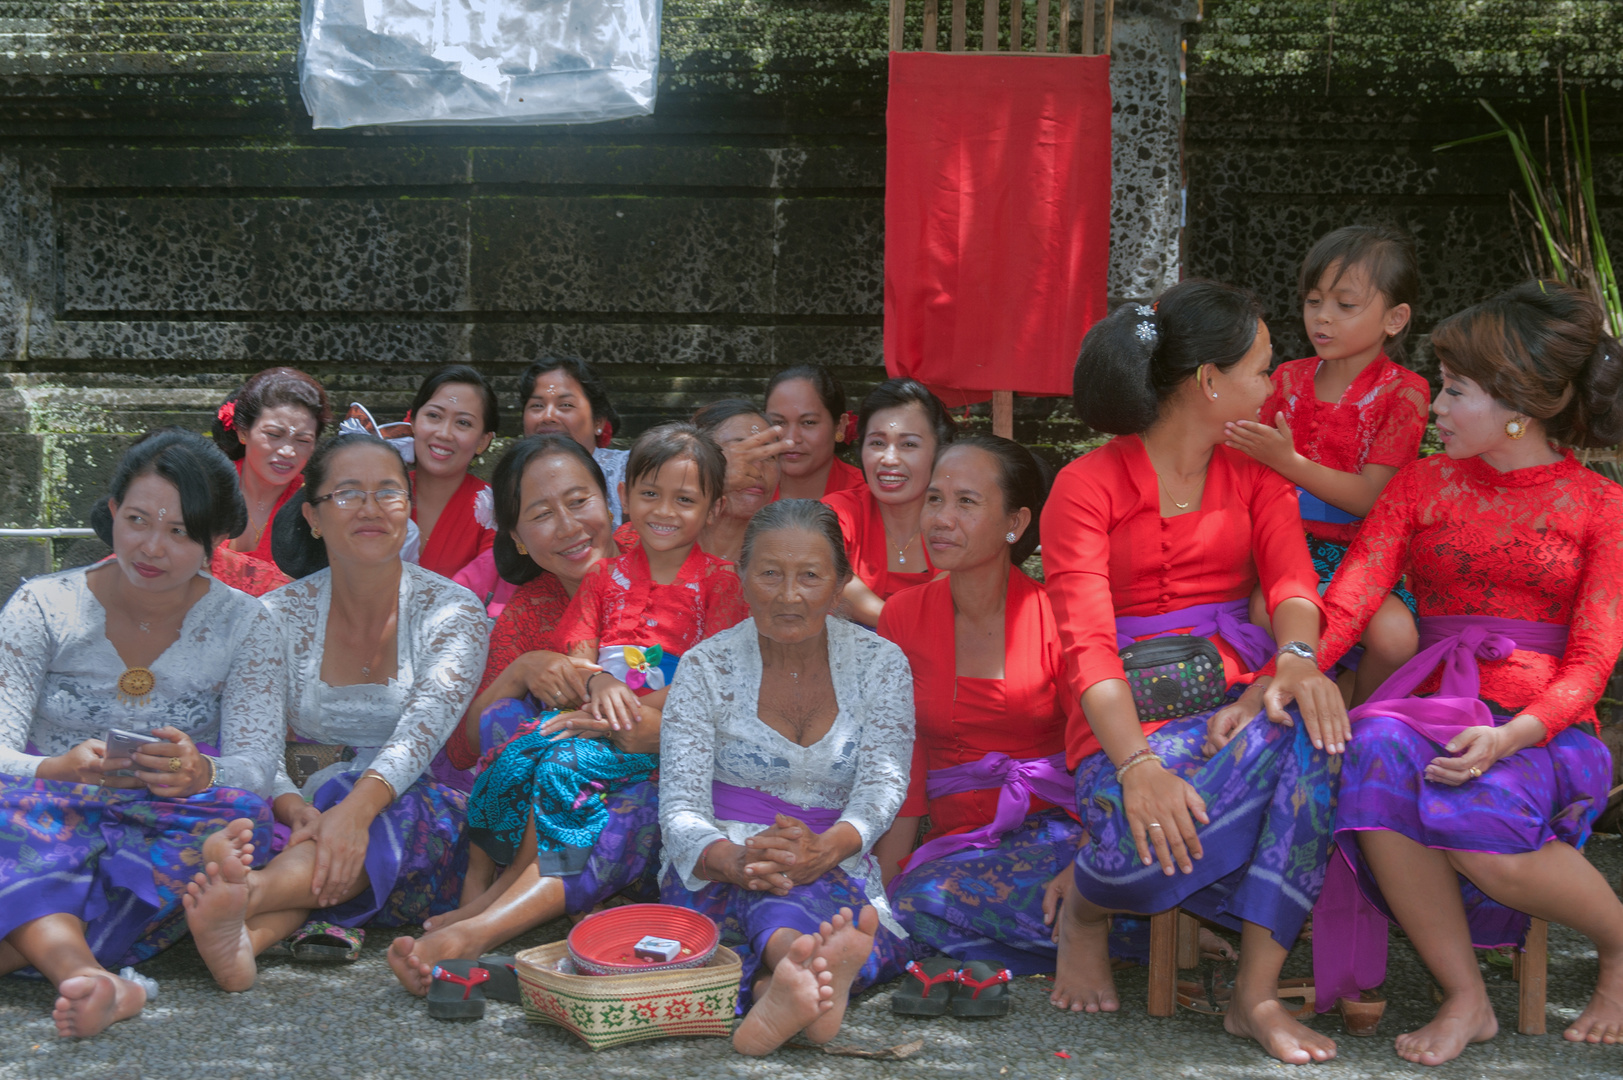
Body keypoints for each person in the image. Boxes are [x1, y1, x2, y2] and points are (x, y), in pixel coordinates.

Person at [1314, 280, 1623, 1064]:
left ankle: (1619, 945)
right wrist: (1290, 670)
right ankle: (1466, 995)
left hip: (1543, 726)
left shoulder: (1599, 505)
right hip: (1431, 704)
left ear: (1517, 402)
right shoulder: (1420, 482)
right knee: (1375, 740)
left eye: (1454, 392)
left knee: (1480, 828)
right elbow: (1351, 596)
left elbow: (1592, 660)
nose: (1435, 408)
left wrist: (1514, 734)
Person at [1043, 281, 1350, 1065]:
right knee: (1155, 815)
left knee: (1315, 734)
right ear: (1209, 382)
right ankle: (1087, 902)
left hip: (1232, 698)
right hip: (1120, 726)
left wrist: (1290, 665)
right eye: (1260, 367)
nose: (1274, 383)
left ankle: (1253, 997)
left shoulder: (1255, 474)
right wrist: (1137, 766)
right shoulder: (1085, 485)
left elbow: (1291, 589)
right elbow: (1085, 646)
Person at [180, 432, 488, 992]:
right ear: (313, 517)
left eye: (388, 492)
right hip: (301, 811)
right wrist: (295, 806)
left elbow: (423, 731)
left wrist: (355, 810)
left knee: (383, 817)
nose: (371, 508)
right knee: (248, 810)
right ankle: (247, 939)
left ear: (408, 510)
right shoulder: (273, 615)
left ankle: (249, 897)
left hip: (417, 817)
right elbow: (254, 739)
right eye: (347, 494)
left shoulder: (452, 610)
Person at [0, 430, 283, 1037]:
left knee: (238, 819)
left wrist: (203, 772)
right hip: (41, 813)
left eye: (180, 531)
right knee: (14, 825)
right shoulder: (43, 605)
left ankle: (69, 958)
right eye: (137, 519)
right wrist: (53, 769)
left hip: (166, 818)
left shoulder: (248, 624)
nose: (152, 546)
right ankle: (100, 977)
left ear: (215, 541)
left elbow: (257, 764)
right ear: (111, 514)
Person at [385, 435, 662, 992]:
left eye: (579, 501)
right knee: (508, 719)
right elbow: (465, 749)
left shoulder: (664, 564)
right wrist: (523, 668)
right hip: (551, 789)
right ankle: (504, 904)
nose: (568, 526)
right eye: (541, 514)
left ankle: (481, 928)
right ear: (514, 534)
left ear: (611, 501)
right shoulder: (526, 611)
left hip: (658, 780)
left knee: (620, 805)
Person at [658, 499, 916, 1055]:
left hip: (833, 850)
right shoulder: (706, 667)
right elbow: (679, 804)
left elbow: (882, 784)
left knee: (839, 908)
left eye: (810, 576)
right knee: (774, 891)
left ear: (841, 582)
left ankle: (776, 984)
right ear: (743, 575)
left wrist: (827, 848)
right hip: (721, 859)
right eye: (771, 573)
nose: (789, 594)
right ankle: (801, 968)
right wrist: (732, 857)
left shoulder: (883, 664)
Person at [876, 435, 1086, 978]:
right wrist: (882, 882)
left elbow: (1094, 751)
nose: (942, 518)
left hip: (1054, 831)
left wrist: (1092, 855)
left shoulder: (1057, 616)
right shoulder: (901, 616)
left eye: (966, 502)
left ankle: (1095, 921)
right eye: (935, 499)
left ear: (1015, 524)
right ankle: (1091, 940)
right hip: (953, 846)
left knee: (923, 907)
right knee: (902, 906)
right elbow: (907, 761)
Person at [1225, 225, 1428, 702]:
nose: (1323, 318)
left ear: (1395, 318)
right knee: (1264, 611)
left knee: (1395, 637)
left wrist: (1287, 461)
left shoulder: (1405, 392)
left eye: (1345, 305)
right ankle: (1293, 708)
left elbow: (1371, 497)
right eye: (1313, 301)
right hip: (1288, 543)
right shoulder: (1287, 378)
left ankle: (1361, 717)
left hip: (1369, 553)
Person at [455, 356, 630, 616]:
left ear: (598, 421)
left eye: (565, 405)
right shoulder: (514, 485)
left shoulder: (633, 473)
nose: (548, 416)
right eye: (537, 405)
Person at [822, 377, 956, 627]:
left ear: (939, 452)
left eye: (908, 444)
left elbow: (949, 596)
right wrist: (900, 626)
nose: (890, 459)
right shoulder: (839, 511)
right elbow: (831, 581)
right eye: (877, 443)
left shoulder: (957, 518)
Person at [208, 367, 331, 595]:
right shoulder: (205, 486)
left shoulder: (318, 505)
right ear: (243, 431)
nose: (288, 451)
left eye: (303, 440)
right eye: (274, 435)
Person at [407, 364, 500, 579]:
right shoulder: (380, 495)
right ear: (412, 421)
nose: (444, 433)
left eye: (463, 423)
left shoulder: (494, 509)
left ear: (483, 441)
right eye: (434, 416)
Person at [692, 398, 783, 564]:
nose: (756, 467)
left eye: (768, 455)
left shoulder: (783, 559)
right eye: (742, 452)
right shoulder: (650, 541)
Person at [764, 364, 864, 500]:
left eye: (808, 422)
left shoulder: (866, 496)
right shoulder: (743, 489)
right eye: (778, 422)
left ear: (840, 426)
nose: (791, 439)